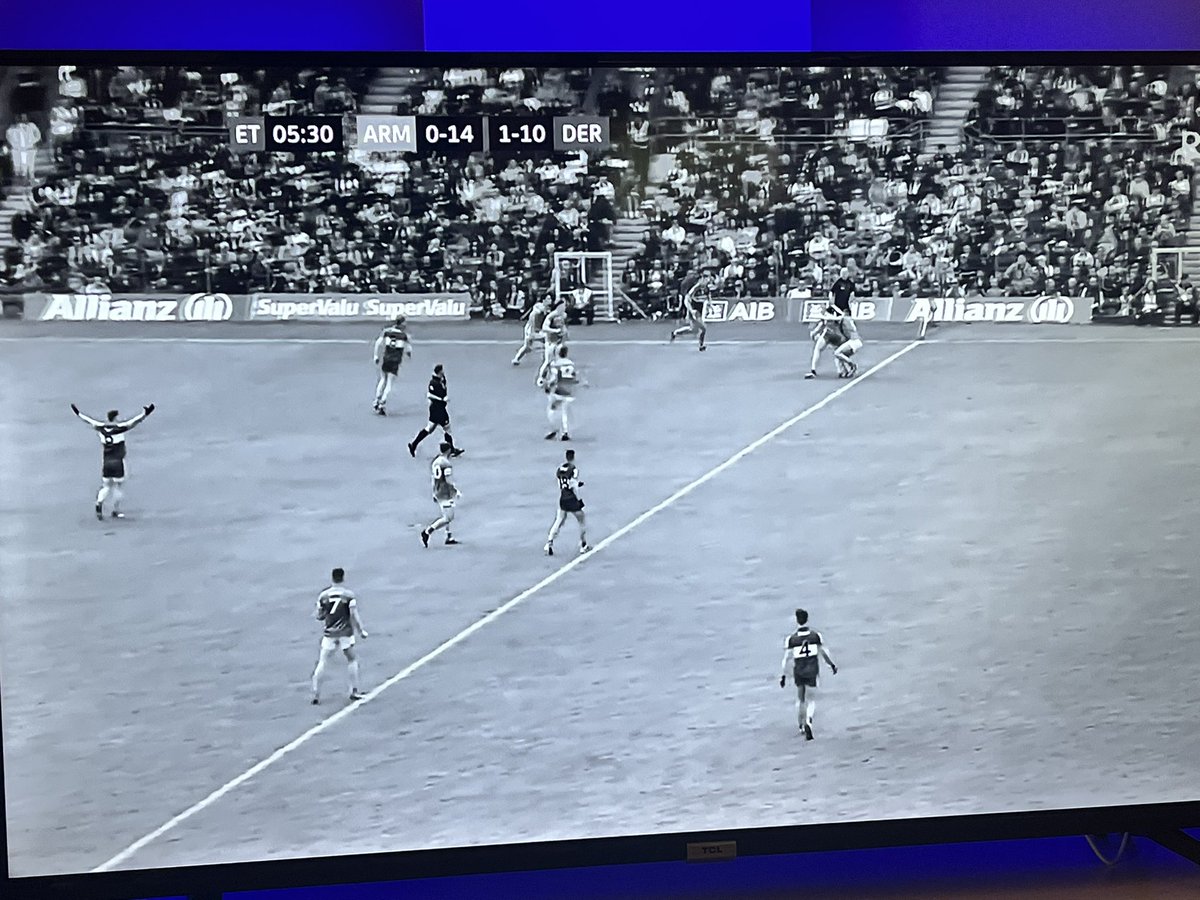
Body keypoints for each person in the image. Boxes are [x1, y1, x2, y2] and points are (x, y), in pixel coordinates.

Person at [71, 402, 155, 520]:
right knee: (117, 487)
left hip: (106, 462)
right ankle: (115, 510)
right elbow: (134, 422)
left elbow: (88, 420)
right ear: (115, 418)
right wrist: (145, 414)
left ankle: (99, 503)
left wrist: (78, 413)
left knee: (106, 486)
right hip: (117, 462)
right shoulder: (120, 428)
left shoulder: (100, 427)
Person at [311, 567, 368, 705]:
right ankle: (353, 691)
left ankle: (316, 693)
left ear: (332, 578)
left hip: (329, 633)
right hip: (345, 633)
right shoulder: (348, 595)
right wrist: (361, 631)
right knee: (352, 659)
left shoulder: (323, 596)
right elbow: (353, 614)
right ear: (343, 578)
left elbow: (319, 615)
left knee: (323, 661)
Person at [779, 608, 838, 740]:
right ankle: (809, 721)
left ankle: (800, 725)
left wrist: (784, 675)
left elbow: (787, 659)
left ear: (797, 620)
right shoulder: (815, 636)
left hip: (798, 671)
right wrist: (832, 665)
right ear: (807, 619)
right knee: (811, 699)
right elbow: (824, 653)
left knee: (800, 698)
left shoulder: (792, 639)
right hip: (812, 670)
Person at [408, 364, 463, 458]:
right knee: (447, 428)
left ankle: (414, 444)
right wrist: (442, 399)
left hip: (438, 408)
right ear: (439, 372)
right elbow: (430, 395)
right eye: (442, 371)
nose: (443, 372)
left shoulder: (442, 380)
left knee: (430, 428)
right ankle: (452, 449)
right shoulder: (433, 383)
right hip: (438, 409)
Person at [544, 448, 589, 557]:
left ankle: (549, 542)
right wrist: (579, 500)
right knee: (581, 520)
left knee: (558, 521)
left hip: (563, 498)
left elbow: (562, 484)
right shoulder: (573, 469)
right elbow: (573, 485)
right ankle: (583, 544)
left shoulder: (559, 469)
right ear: (573, 457)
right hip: (572, 498)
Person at [421, 440, 461, 548]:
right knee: (448, 517)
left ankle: (449, 536)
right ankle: (427, 531)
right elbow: (448, 480)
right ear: (448, 450)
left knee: (447, 513)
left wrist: (434, 491)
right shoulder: (446, 464)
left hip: (438, 490)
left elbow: (434, 478)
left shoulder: (436, 462)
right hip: (445, 492)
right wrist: (455, 490)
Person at [372, 314, 412, 416]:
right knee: (389, 382)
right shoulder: (404, 335)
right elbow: (408, 349)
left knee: (382, 379)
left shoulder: (387, 331)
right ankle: (382, 402)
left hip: (386, 358)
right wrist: (408, 353)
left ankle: (376, 400)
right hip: (395, 360)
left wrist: (376, 356)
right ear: (401, 323)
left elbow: (378, 343)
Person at [543, 344, 580, 441]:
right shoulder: (571, 363)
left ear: (557, 353)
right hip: (570, 391)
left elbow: (555, 378)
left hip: (559, 391)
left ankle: (554, 428)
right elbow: (574, 376)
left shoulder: (555, 364)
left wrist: (547, 385)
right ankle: (565, 432)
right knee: (565, 412)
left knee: (552, 410)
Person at [670, 268, 712, 351]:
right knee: (703, 328)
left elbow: (708, 298)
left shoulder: (706, 288)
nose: (708, 280)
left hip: (698, 310)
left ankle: (675, 333)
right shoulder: (695, 288)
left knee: (693, 330)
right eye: (705, 278)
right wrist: (691, 310)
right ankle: (701, 345)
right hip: (693, 310)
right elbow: (687, 299)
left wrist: (710, 306)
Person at [805, 305, 848, 379]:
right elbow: (819, 326)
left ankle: (813, 370)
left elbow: (819, 326)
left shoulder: (826, 317)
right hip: (838, 337)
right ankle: (842, 370)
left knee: (817, 350)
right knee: (838, 353)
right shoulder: (837, 318)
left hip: (828, 335)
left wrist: (813, 333)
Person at [536, 301, 569, 386]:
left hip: (559, 341)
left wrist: (564, 333)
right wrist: (555, 331)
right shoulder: (551, 316)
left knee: (559, 360)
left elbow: (563, 326)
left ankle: (557, 377)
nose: (565, 307)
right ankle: (541, 377)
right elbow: (544, 327)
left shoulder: (563, 315)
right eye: (563, 306)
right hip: (550, 341)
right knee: (548, 361)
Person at [512, 297, 548, 367]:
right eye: (547, 299)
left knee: (546, 342)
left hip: (536, 328)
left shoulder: (546, 309)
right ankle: (516, 358)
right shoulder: (538, 308)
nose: (550, 301)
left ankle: (546, 360)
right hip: (530, 329)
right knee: (527, 346)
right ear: (543, 300)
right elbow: (536, 312)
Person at [833, 312, 864, 378]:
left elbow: (836, 318)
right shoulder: (847, 321)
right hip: (855, 341)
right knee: (841, 356)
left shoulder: (844, 319)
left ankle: (852, 365)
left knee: (837, 353)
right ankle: (846, 371)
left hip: (854, 341)